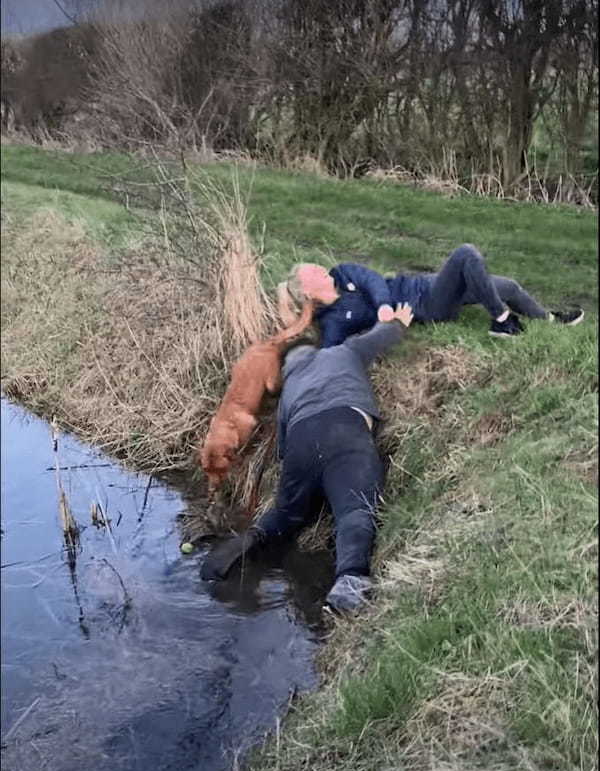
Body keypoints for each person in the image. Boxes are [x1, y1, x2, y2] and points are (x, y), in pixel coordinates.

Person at [201, 303, 414, 613]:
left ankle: (230, 555)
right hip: (345, 426)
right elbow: (379, 339)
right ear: (315, 349)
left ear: (286, 367)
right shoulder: (341, 352)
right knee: (354, 509)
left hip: (302, 437)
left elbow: (283, 450)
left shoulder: (289, 388)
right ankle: (350, 584)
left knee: (285, 515)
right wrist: (398, 323)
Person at [279, 244, 584, 347]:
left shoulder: (342, 272)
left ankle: (549, 319)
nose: (320, 268)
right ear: (307, 291)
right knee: (466, 254)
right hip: (427, 307)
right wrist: (388, 325)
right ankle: (501, 320)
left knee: (508, 287)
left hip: (423, 284)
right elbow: (339, 354)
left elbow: (372, 280)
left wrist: (384, 305)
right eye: (313, 271)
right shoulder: (333, 322)